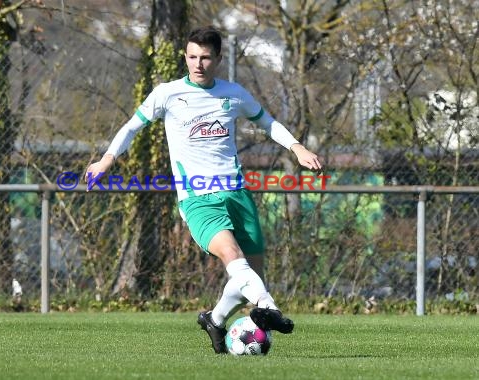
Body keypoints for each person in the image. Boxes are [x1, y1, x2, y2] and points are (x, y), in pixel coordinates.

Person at [85, 26, 322, 354]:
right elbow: (131, 127)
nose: (198, 63)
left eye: (205, 57)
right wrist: (105, 160)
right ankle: (270, 308)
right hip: (197, 197)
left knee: (250, 271)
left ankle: (215, 318)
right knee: (232, 256)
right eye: (192, 56)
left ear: (218, 59)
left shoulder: (233, 93)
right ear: (185, 56)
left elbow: (267, 121)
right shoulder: (167, 94)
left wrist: (296, 147)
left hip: (237, 194)